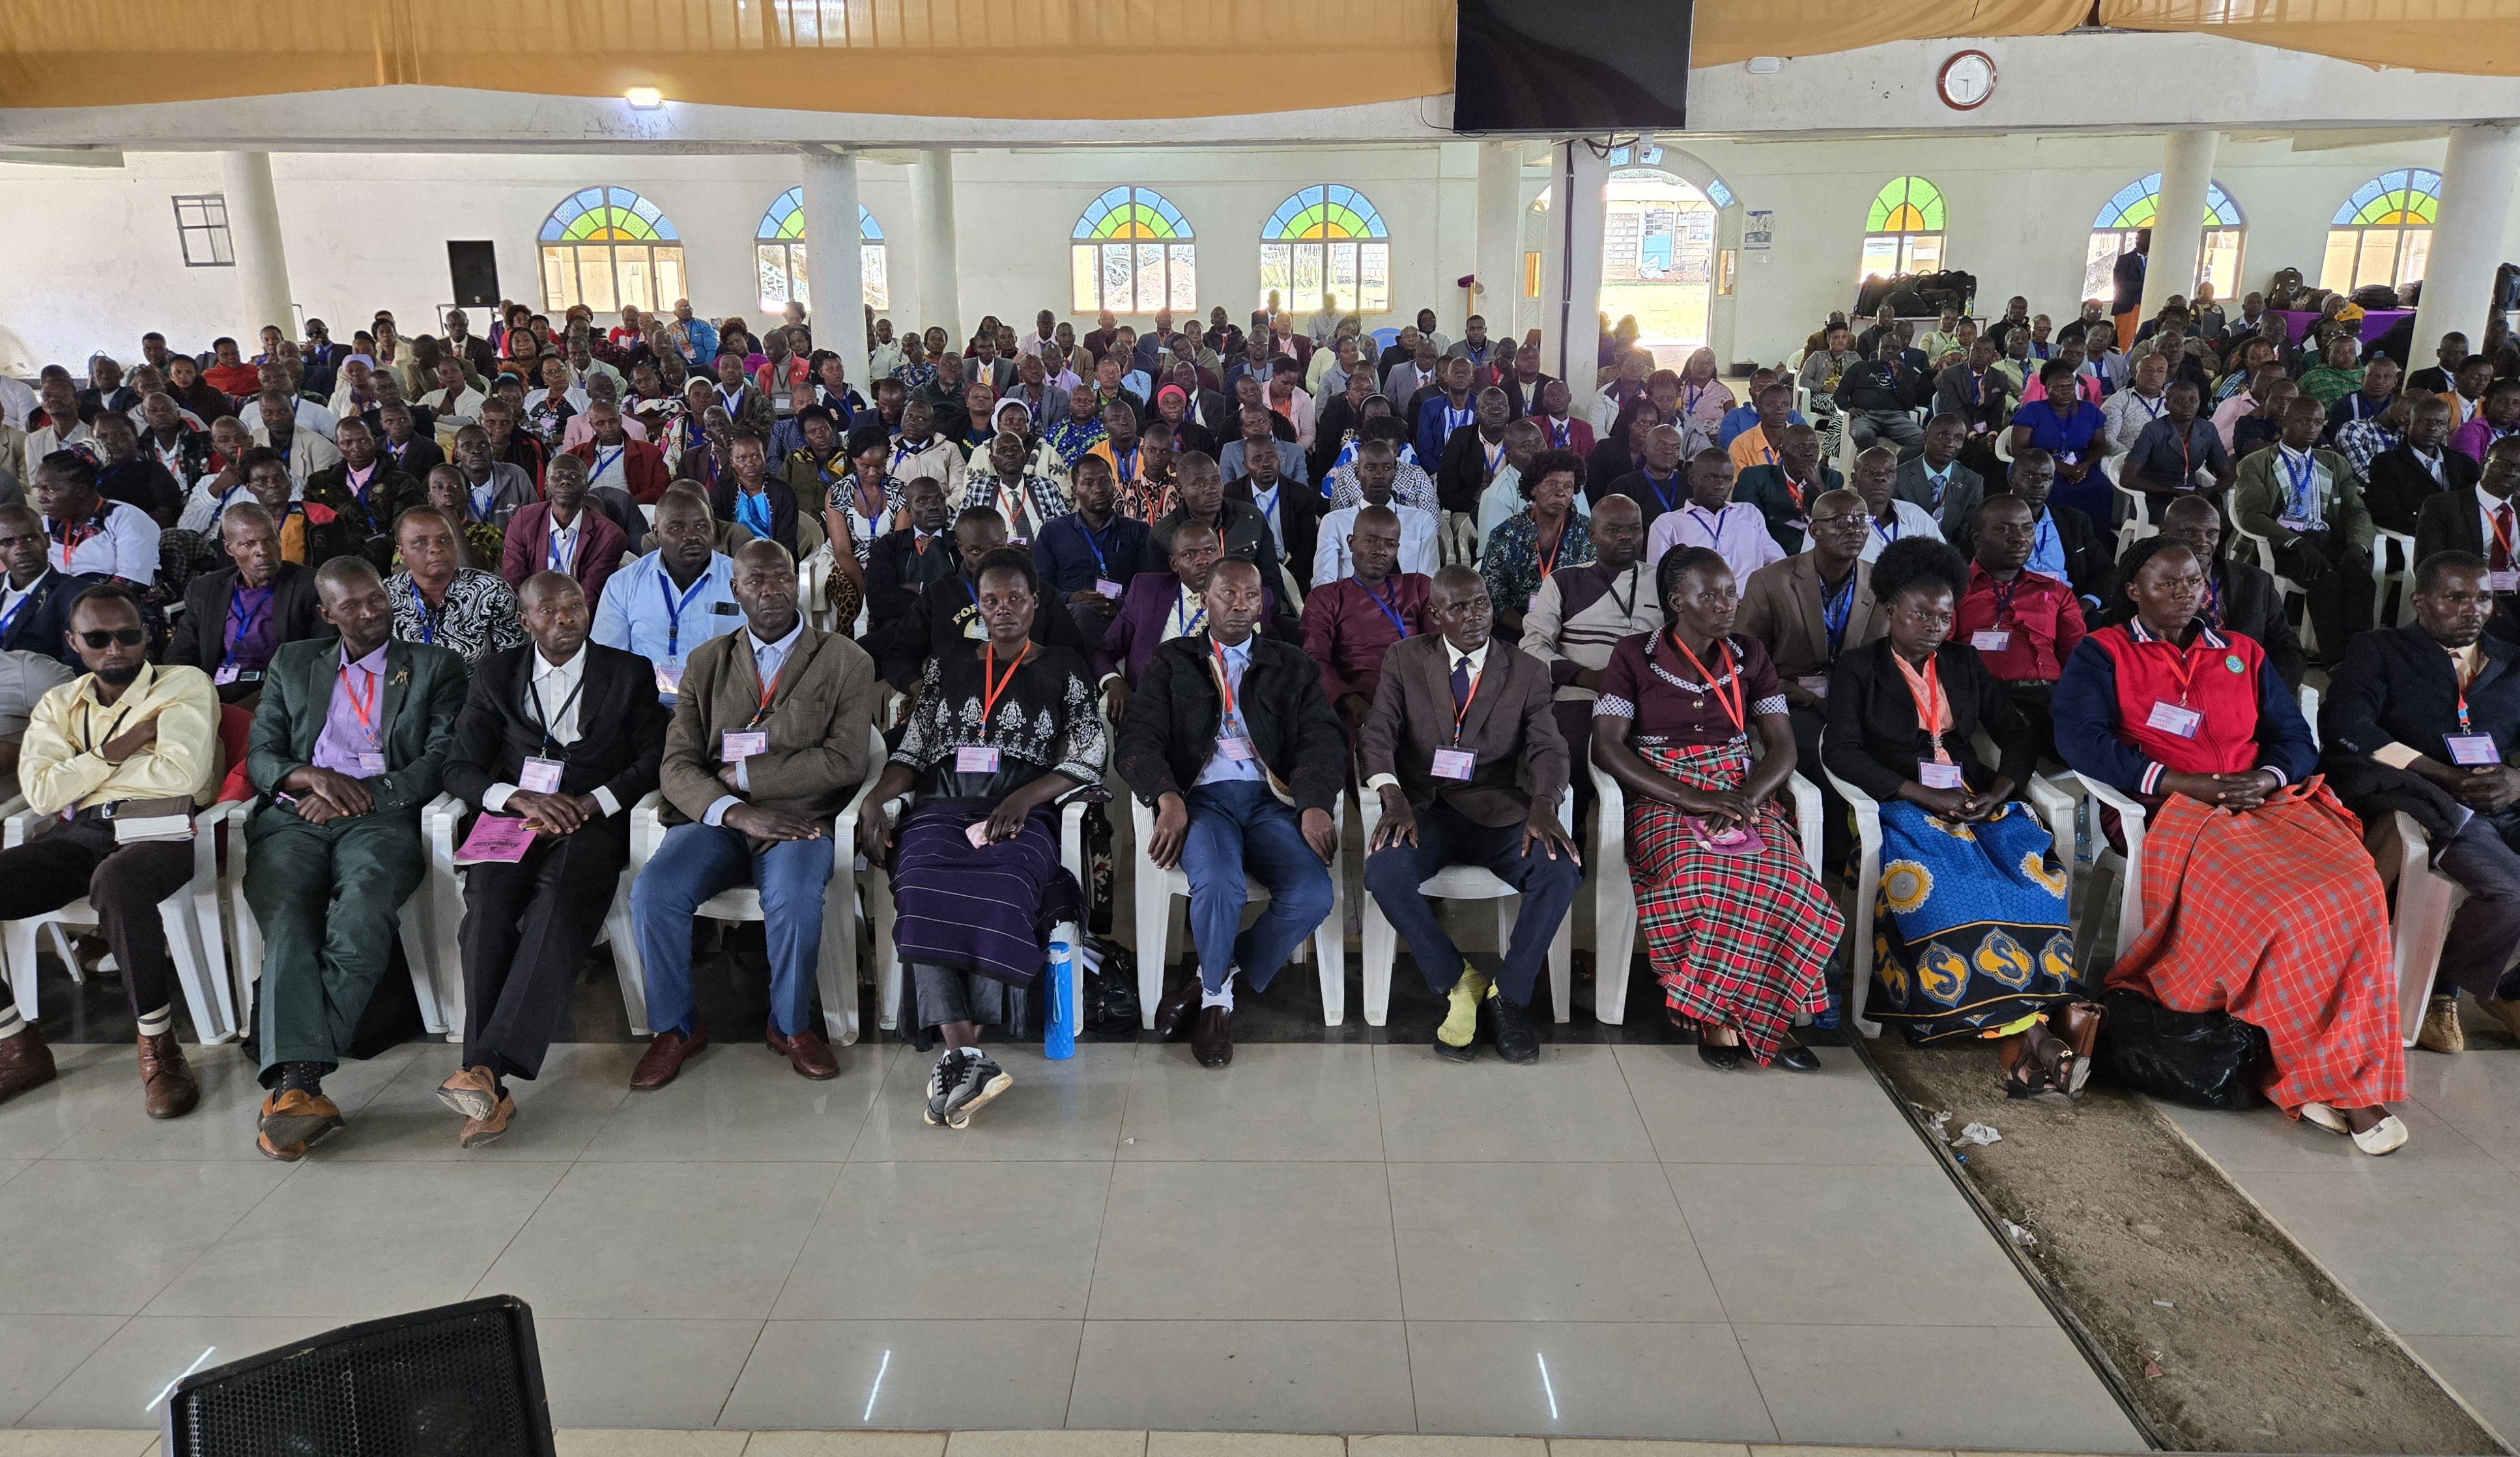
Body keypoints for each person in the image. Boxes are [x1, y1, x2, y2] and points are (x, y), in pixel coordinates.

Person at [2055, 541, 2409, 1155]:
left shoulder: (2242, 652)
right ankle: (2347, 1088)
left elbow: (2294, 737)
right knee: (2282, 907)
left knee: (2354, 889)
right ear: (2134, 590)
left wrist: (2268, 777)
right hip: (2173, 811)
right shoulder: (2104, 652)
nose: (2184, 592)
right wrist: (2179, 782)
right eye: (2166, 583)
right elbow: (2082, 741)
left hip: (2266, 802)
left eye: (2194, 581)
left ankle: (2318, 1062)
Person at [1825, 538, 2082, 1087]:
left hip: (1973, 800)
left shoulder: (1965, 663)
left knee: (2036, 879)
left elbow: (2017, 734)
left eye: (1944, 616)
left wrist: (2001, 791)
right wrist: (1922, 795)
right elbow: (1841, 751)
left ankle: (2023, 1037)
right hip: (1900, 805)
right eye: (1921, 614)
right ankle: (2034, 1036)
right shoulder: (1859, 668)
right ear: (1890, 608)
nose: (1935, 627)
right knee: (1947, 889)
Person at [859, 547, 1103, 1123]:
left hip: (1021, 813)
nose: (1004, 609)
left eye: (1016, 598)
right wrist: (874, 798)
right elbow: (913, 751)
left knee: (1004, 886)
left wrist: (1024, 798)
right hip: (942, 809)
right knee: (919, 884)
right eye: (991, 600)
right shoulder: (947, 662)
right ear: (978, 608)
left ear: (1035, 603)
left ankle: (960, 1055)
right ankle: (966, 1053)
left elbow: (1091, 752)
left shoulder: (1064, 665)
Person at [630, 539, 880, 1088]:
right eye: (756, 581)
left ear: (798, 584)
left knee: (794, 898)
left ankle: (789, 1025)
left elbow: (846, 760)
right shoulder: (706, 662)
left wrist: (748, 779)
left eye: (781, 578)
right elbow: (677, 764)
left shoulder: (846, 660)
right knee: (654, 893)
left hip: (799, 819)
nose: (771, 590)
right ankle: (676, 1027)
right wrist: (733, 811)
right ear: (735, 590)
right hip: (717, 820)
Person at [244, 557, 468, 1160]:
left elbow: (440, 758)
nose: (370, 613)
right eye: (351, 606)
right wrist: (309, 777)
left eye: (376, 599)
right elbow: (262, 753)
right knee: (287, 918)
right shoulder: (294, 662)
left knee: (362, 909)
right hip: (296, 816)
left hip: (382, 817)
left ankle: (296, 1080)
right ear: (327, 614)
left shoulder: (435, 666)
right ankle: (301, 1084)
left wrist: (363, 794)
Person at [435, 571, 669, 1145]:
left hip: (592, 819)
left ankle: (484, 1070)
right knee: (486, 907)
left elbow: (653, 758)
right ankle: (487, 1081)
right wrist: (517, 797)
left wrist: (593, 801)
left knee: (558, 901)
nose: (566, 617)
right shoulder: (496, 674)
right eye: (549, 610)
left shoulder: (627, 671)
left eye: (575, 605)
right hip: (517, 818)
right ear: (525, 621)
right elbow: (459, 767)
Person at [1590, 544, 1840, 1063]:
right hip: (1664, 791)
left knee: (1788, 879)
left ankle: (1756, 1013)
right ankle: (1722, 1015)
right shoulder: (1634, 654)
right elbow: (1608, 747)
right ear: (1677, 602)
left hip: (1737, 787)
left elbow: (1783, 746)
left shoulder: (1752, 654)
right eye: (1711, 596)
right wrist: (1692, 797)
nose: (1727, 604)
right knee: (1704, 876)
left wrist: (1747, 797)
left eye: (1731, 593)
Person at [0, 584, 218, 1116]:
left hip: (159, 826)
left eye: (127, 635)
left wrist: (80, 770)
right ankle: (16, 1043)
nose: (115, 648)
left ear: (148, 635)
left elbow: (182, 775)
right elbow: (42, 793)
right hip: (84, 832)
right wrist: (123, 746)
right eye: (98, 638)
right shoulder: (59, 703)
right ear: (74, 642)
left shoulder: (184, 683)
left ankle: (159, 1049)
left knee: (119, 881)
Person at [1121, 557, 1343, 1067]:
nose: (1241, 605)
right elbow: (1138, 739)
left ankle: (1209, 975)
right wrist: (1167, 796)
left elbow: (1323, 740)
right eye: (1228, 594)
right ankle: (1216, 1004)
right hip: (1202, 802)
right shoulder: (1172, 661)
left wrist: (1314, 802)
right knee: (1220, 882)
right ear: (1206, 599)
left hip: (1270, 801)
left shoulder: (1292, 665)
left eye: (1251, 595)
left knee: (1312, 894)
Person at [1360, 566, 1580, 1063]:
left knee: (1560, 870)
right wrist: (1392, 796)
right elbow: (1378, 732)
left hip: (1495, 808)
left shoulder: (1526, 669)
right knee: (1384, 871)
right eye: (1458, 607)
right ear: (1435, 614)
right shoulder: (1405, 658)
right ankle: (1459, 981)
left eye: (1481, 603)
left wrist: (1545, 804)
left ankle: (1509, 996)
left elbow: (1548, 747)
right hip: (1424, 809)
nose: (1474, 615)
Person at [2322, 551, 2520, 1052]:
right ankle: (2442, 991)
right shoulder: (2381, 650)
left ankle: (2508, 990)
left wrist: (2517, 781)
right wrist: (2437, 771)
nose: (2473, 610)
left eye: (2483, 598)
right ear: (2421, 601)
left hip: (2502, 798)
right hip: (2429, 798)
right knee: (2510, 890)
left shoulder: (2512, 661)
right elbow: (2350, 727)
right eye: (2456, 597)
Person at [1521, 492, 1663, 808]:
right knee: (1570, 753)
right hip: (1583, 693)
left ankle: (1647, 824)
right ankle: (1571, 826)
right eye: (1613, 530)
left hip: (1651, 693)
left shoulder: (1663, 582)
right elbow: (1532, 647)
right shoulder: (1564, 581)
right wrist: (1586, 677)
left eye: (1634, 528)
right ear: (1592, 535)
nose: (1626, 536)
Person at [1737, 488, 1887, 772]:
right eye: (1842, 521)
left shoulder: (1882, 583)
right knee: (1820, 755)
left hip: (1858, 702)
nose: (1855, 529)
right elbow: (1747, 666)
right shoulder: (1770, 582)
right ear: (1815, 529)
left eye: (1862, 520)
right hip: (1790, 700)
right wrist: (1811, 700)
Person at [882, 506, 1093, 695]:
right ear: (960, 548)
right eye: (976, 551)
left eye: (996, 547)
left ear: (1007, 540)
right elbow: (899, 655)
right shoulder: (938, 596)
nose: (988, 559)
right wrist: (920, 688)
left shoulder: (1037, 592)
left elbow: (1071, 654)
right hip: (956, 700)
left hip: (1029, 697)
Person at [2233, 395, 2375, 662]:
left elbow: (2355, 510)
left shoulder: (2334, 463)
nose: (2311, 428)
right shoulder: (2257, 463)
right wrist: (2296, 543)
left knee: (2360, 577)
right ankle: (2335, 660)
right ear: (2284, 422)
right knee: (2327, 580)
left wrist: (2358, 545)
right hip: (2284, 543)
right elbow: (2251, 515)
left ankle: (2360, 658)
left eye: (2318, 422)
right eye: (2303, 421)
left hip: (2327, 539)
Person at [1954, 494, 2087, 757]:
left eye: (2027, 529)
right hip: (1990, 696)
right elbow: (1941, 657)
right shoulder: (1955, 590)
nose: (2020, 538)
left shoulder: (2056, 592)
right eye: (2004, 529)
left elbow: (2076, 656)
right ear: (1977, 539)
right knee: (2022, 737)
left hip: (2052, 695)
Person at [592, 485, 744, 703]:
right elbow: (608, 658)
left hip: (718, 705)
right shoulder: (624, 583)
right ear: (656, 534)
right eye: (676, 528)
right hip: (645, 706)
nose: (691, 536)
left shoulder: (741, 580)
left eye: (701, 526)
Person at [167, 504, 326, 704]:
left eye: (270, 540)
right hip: (212, 691)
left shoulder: (311, 586)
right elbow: (182, 651)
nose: (263, 551)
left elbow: (320, 657)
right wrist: (188, 693)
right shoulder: (206, 589)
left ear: (279, 538)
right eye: (248, 544)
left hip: (277, 693)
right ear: (229, 548)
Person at [1302, 505, 1436, 740]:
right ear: (1352, 543)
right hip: (1360, 703)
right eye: (1371, 541)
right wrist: (1350, 701)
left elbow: (1442, 646)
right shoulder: (1327, 598)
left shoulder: (1418, 587)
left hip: (1421, 698)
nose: (1380, 551)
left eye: (1389, 544)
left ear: (1397, 549)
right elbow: (1315, 659)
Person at [1031, 453, 1152, 645]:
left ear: (1114, 485)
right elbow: (1041, 586)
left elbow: (1148, 584)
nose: (1099, 489)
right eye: (1088, 483)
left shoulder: (1138, 531)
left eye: (1105, 481)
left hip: (1123, 616)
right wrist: (1071, 598)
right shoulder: (1053, 531)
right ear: (1075, 491)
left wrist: (1117, 605)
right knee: (1081, 614)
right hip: (1069, 617)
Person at [2414, 437, 2520, 644]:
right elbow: (2427, 566)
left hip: (2514, 591)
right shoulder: (2443, 506)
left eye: (2519, 467)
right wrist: (2483, 596)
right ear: (2484, 463)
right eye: (2505, 463)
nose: (2512, 472)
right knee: (2504, 630)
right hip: (2470, 595)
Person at [1480, 448, 1594, 641]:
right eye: (1551, 484)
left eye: (1568, 486)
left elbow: (1594, 590)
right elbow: (1493, 595)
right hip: (1516, 630)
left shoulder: (1589, 533)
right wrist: (1530, 631)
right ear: (1533, 488)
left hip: (1574, 630)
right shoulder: (1505, 534)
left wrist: (1565, 633)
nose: (1560, 493)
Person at [1647, 447, 1783, 595]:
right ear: (1692, 479)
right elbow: (1658, 581)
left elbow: (1777, 562)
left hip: (1749, 603)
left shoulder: (1749, 514)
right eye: (1710, 478)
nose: (1720, 486)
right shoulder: (1668, 524)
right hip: (1698, 606)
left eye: (1728, 479)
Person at [500, 452, 627, 608]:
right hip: (533, 612)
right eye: (558, 475)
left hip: (581, 615)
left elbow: (591, 594)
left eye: (574, 477)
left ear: (587, 487)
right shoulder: (523, 521)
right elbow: (514, 579)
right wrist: (537, 615)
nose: (565, 481)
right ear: (546, 483)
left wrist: (563, 619)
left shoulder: (610, 536)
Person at [1991, 450, 2113, 610]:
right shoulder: (1992, 521)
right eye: (2029, 476)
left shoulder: (2075, 521)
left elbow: (2105, 570)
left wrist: (2084, 605)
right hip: (2014, 607)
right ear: (2011, 480)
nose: (2039, 484)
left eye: (2046, 478)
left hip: (2067, 606)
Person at [1317, 438, 1441, 583]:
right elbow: (1323, 580)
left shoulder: (1421, 521)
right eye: (1370, 468)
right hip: (1350, 596)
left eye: (1387, 468)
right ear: (1358, 473)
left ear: (1395, 472)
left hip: (1409, 597)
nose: (1379, 475)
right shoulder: (1334, 522)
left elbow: (1429, 579)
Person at [35, 449, 160, 587]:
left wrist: (74, 600)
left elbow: (131, 581)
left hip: (116, 598)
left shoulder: (126, 519)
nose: (40, 498)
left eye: (50, 490)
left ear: (81, 490)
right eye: (39, 489)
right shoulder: (48, 523)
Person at [2009, 360, 2112, 521]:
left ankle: (2091, 535)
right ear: (2047, 390)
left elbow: (2099, 446)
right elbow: (2019, 450)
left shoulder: (2090, 410)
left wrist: (2086, 465)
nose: (2066, 392)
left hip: (2080, 465)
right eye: (2059, 387)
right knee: (2051, 490)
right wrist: (2056, 466)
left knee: (2102, 488)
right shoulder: (2032, 410)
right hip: (2039, 467)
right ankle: (2052, 532)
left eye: (2070, 386)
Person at [861, 474, 958, 642]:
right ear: (909, 510)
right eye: (923, 501)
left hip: (951, 631)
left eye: (940, 499)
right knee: (859, 651)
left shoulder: (960, 543)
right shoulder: (888, 546)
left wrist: (918, 588)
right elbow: (878, 600)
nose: (933, 506)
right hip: (899, 632)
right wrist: (938, 595)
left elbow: (966, 595)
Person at [2120, 379, 2235, 517]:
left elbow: (2228, 475)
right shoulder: (2153, 430)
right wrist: (2174, 492)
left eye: (2193, 400)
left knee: (2217, 519)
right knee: (2189, 521)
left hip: (2191, 495)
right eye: (2178, 401)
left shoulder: (2208, 429)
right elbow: (2127, 479)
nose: (2187, 405)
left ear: (2199, 402)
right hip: (2155, 498)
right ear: (2167, 406)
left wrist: (2209, 491)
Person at [2366, 394, 2473, 536]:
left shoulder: (2465, 464)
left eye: (2440, 423)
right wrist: (2432, 533)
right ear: (2408, 425)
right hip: (2415, 537)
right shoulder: (2386, 463)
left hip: (2459, 537)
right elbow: (2385, 512)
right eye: (2425, 422)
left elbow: (2474, 508)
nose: (2432, 428)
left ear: (2447, 427)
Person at [1734, 422, 1843, 555]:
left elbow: (1839, 522)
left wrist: (1818, 486)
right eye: (1800, 447)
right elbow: (1748, 526)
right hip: (1774, 554)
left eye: (1813, 447)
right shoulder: (1756, 477)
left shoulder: (1832, 478)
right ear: (1782, 452)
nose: (1808, 453)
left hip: (1819, 554)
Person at [0, 503, 82, 667]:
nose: (21, 550)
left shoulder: (74, 594)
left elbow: (76, 665)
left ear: (47, 540)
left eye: (30, 539)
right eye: (8, 543)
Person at [1833, 333, 1928, 455]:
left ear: (1900, 351)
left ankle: (1895, 466)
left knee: (1922, 439)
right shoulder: (1860, 367)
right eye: (1885, 348)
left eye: (1895, 348)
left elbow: (1910, 405)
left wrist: (1900, 380)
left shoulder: (1906, 373)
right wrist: (1850, 409)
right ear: (1878, 348)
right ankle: (1869, 466)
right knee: (1864, 435)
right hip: (1865, 415)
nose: (1890, 351)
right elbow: (1840, 393)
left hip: (1896, 417)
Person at [1846, 446, 1944, 562]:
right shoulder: (1841, 523)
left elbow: (1944, 563)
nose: (1880, 477)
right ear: (1854, 478)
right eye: (1869, 471)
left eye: (1889, 472)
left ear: (1896, 478)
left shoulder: (1918, 519)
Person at [1893, 414, 1985, 536]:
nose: (1950, 443)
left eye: (1958, 438)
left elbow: (1967, 534)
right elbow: (1874, 519)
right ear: (1926, 438)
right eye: (1943, 436)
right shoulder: (1898, 477)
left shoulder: (1973, 483)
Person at [711, 430, 798, 558]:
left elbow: (786, 541)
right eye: (742, 458)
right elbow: (719, 537)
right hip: (732, 560)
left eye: (756, 456)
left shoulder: (783, 492)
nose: (750, 463)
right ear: (732, 461)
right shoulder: (721, 491)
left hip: (776, 559)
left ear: (764, 456)